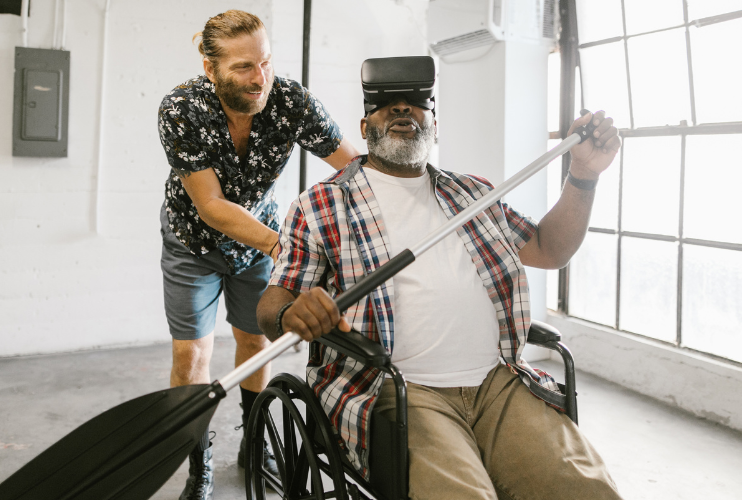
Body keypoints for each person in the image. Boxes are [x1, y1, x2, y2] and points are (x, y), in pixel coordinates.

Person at [256, 56, 623, 499]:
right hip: (396, 391)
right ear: (364, 124)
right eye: (385, 104)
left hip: (498, 383)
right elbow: (271, 307)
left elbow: (549, 248)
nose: (400, 108)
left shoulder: (474, 194)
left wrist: (584, 174)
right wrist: (295, 311)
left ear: (434, 123)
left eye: (415, 101)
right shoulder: (321, 204)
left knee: (592, 492)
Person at [157, 10, 358, 500]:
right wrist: (283, 243)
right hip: (195, 243)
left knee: (254, 342)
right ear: (211, 70)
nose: (260, 78)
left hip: (258, 245)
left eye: (265, 62)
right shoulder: (180, 109)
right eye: (244, 67)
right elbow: (210, 206)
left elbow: (353, 168)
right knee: (192, 356)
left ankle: (253, 442)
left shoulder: (289, 101)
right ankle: (198, 463)